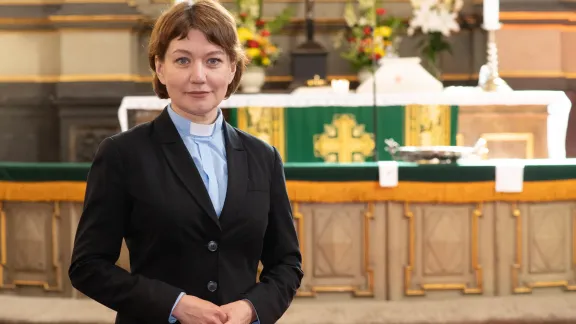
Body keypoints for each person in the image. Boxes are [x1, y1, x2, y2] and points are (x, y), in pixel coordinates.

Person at [68, 1, 304, 323]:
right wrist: (174, 304)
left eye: (213, 60)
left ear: (232, 68)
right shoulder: (123, 154)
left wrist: (251, 308)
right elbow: (88, 266)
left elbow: (287, 264)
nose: (198, 76)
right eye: (182, 60)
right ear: (160, 68)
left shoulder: (263, 157)